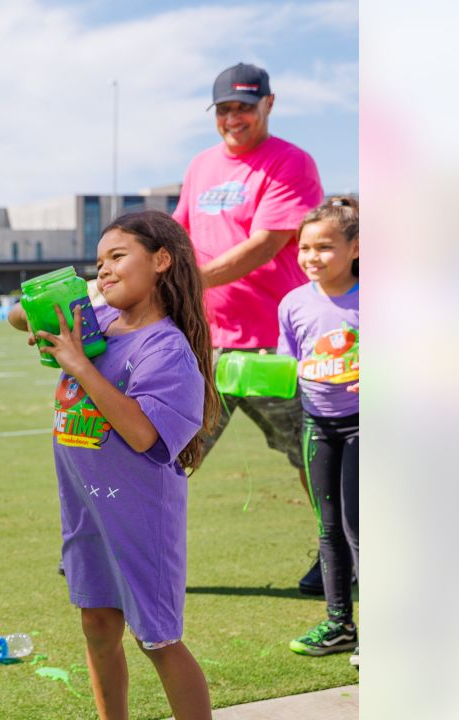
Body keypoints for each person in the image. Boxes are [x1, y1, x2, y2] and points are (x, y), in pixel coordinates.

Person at [11, 211, 219, 720]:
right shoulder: (95, 322)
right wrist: (74, 293)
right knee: (98, 627)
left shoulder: (166, 348)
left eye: (118, 257)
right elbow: (19, 316)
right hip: (88, 510)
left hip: (141, 515)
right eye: (98, 262)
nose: (104, 270)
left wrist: (80, 364)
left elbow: (142, 431)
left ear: (162, 261)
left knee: (158, 639)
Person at [171, 63, 326, 593]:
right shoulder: (200, 167)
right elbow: (181, 235)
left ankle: (347, 554)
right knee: (171, 450)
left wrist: (187, 281)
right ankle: (125, 550)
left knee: (313, 456)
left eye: (244, 105)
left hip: (277, 347)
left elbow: (266, 244)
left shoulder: (290, 163)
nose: (233, 117)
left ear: (269, 104)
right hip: (207, 344)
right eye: (224, 109)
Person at [277, 198, 359, 663]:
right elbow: (291, 360)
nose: (311, 256)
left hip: (366, 426)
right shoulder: (293, 303)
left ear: (356, 248)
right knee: (328, 528)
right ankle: (339, 625)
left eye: (324, 247)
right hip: (319, 426)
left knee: (360, 528)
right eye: (305, 247)